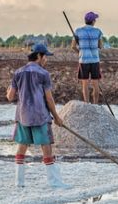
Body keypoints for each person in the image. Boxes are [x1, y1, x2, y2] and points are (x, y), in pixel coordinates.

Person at [6, 43, 71, 189]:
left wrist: (7, 92)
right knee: (46, 147)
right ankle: (54, 183)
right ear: (39, 56)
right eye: (45, 57)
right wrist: (57, 117)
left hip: (22, 116)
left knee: (22, 146)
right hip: (40, 115)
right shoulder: (43, 74)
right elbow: (49, 99)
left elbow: (10, 97)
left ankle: (19, 182)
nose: (46, 60)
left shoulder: (18, 72)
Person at [71, 11, 104, 104]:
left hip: (83, 60)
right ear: (93, 21)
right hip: (95, 60)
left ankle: (86, 103)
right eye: (95, 20)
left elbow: (73, 46)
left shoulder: (78, 31)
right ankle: (96, 103)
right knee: (95, 83)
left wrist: (80, 52)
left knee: (85, 83)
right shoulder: (98, 31)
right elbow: (100, 46)